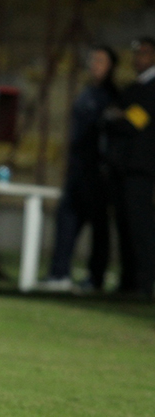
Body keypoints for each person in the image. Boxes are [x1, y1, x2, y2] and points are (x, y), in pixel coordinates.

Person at [41, 46, 118, 292]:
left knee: (98, 226)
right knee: (66, 220)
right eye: (93, 60)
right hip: (77, 169)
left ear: (111, 66)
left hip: (97, 171)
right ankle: (59, 273)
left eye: (101, 61)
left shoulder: (112, 96)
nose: (94, 65)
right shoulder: (87, 92)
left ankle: (95, 278)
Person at [107, 37, 155, 300]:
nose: (138, 58)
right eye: (136, 53)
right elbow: (114, 115)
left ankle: (144, 283)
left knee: (140, 228)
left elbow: (134, 121)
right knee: (124, 227)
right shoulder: (134, 87)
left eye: (144, 53)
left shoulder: (151, 88)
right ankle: (128, 280)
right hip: (124, 168)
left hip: (141, 169)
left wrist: (120, 116)